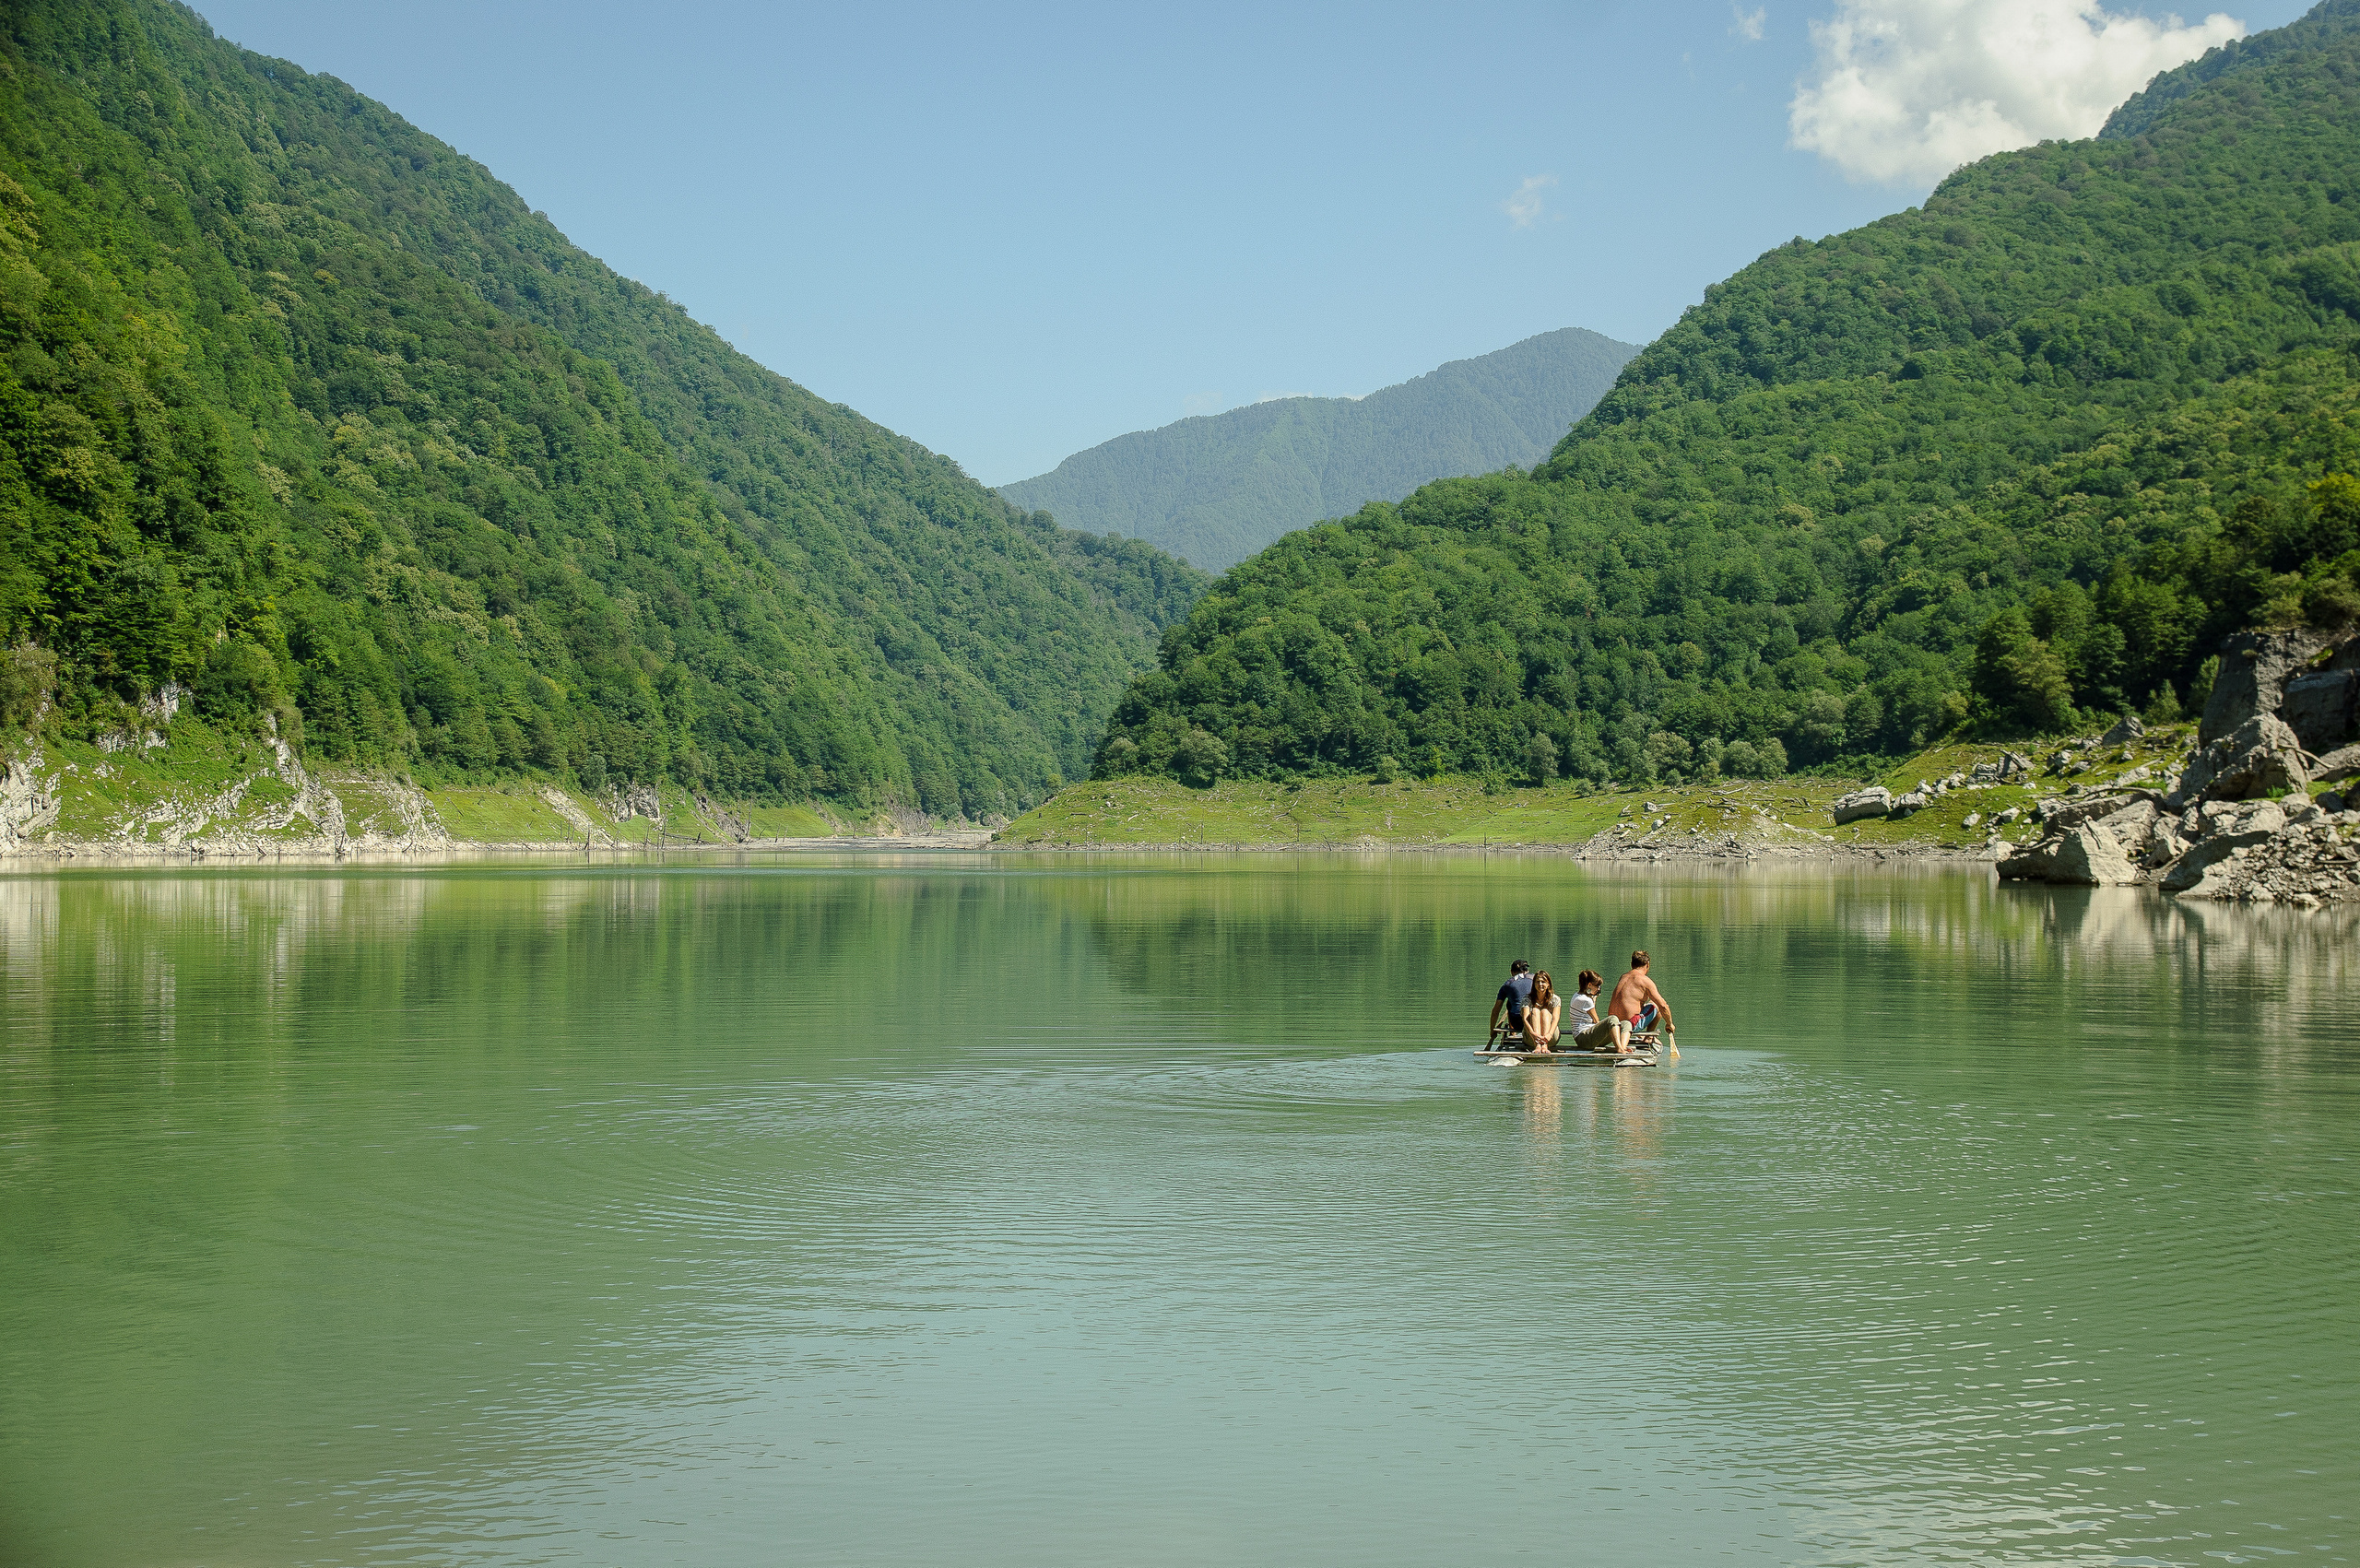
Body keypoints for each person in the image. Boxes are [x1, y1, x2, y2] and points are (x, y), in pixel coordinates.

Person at [1607, 949, 1677, 1057]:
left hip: (1613, 1025)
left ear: (1631, 964)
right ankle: (1648, 1038)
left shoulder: (1623, 977)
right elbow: (1663, 1006)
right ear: (1647, 965)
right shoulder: (1645, 981)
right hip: (1630, 1024)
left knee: (1648, 1005)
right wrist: (1670, 1024)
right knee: (1657, 1005)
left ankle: (1646, 1037)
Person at [1566, 969, 1619, 1052]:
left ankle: (1622, 1047)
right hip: (1583, 1038)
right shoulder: (1586, 1000)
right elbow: (1596, 1021)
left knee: (1624, 1024)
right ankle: (1619, 1049)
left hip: (1587, 1038)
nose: (1598, 988)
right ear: (1589, 985)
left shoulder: (1577, 995)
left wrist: (1593, 999)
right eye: (1597, 986)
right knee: (1612, 1019)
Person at [1486, 960, 1534, 1049]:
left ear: (1512, 972)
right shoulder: (1537, 980)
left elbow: (1496, 1010)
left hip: (1518, 1023)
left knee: (1510, 1003)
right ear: (1527, 970)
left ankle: (1513, 1033)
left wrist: (1492, 1030)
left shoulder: (1507, 984)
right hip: (1534, 1022)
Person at [1522, 971, 1564, 1053]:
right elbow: (1525, 1019)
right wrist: (1533, 1034)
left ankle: (1545, 1045)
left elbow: (1556, 1019)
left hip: (1551, 1037)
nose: (1540, 984)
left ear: (1548, 984)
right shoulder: (1527, 999)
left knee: (1545, 1011)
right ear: (1534, 984)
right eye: (1538, 982)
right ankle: (1537, 1045)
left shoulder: (1556, 999)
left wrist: (1549, 1035)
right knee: (1535, 1010)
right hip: (1531, 1038)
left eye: (1543, 982)